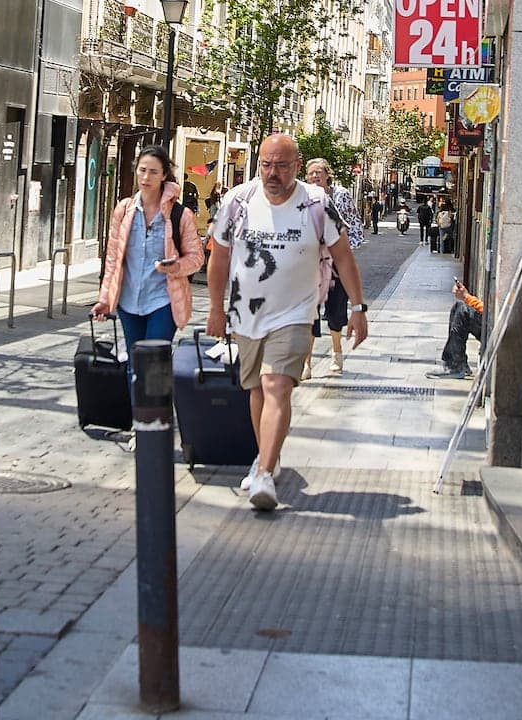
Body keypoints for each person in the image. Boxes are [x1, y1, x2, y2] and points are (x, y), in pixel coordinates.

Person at [207, 134, 369, 510]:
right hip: (247, 313)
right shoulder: (238, 202)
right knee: (257, 390)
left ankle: (264, 473)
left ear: (297, 166)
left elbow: (343, 257)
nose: (272, 173)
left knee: (276, 383)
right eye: (266, 164)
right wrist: (216, 308)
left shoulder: (316, 204)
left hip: (296, 313)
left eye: (281, 165)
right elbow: (218, 256)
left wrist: (358, 309)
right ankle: (269, 455)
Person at [91, 145, 205, 383]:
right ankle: (140, 420)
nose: (146, 177)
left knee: (153, 364)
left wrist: (176, 267)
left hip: (163, 300)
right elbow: (113, 258)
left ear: (164, 175)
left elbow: (196, 258)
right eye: (142, 170)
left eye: (153, 172)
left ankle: (155, 419)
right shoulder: (124, 210)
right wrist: (104, 299)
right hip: (128, 301)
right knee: (135, 366)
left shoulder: (179, 215)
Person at [300, 157, 365, 380]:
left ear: (328, 175)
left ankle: (337, 354)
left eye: (319, 172)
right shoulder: (301, 196)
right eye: (311, 173)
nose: (315, 176)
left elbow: (356, 228)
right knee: (308, 313)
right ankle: (306, 364)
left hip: (336, 264)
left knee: (336, 312)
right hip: (310, 263)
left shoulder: (341, 196)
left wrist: (343, 250)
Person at [427, 279, 483, 379]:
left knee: (463, 311)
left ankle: (455, 365)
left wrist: (467, 297)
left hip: (497, 327)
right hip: (489, 321)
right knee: (458, 307)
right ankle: (460, 362)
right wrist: (466, 297)